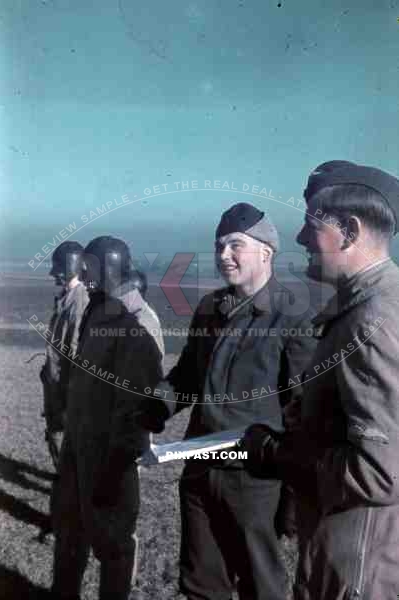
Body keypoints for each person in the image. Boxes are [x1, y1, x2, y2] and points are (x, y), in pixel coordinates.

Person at [142, 203, 318, 600]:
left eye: (235, 245)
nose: (223, 255)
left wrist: (293, 496)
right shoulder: (209, 310)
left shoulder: (293, 317)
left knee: (261, 588)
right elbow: (186, 376)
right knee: (201, 586)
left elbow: (304, 411)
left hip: (255, 480)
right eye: (220, 246)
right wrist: (153, 409)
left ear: (266, 253)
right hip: (199, 470)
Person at [241, 161, 399, 599]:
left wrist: (280, 455)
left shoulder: (372, 322)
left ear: (349, 231)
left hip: (360, 569)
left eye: (311, 225)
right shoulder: (378, 306)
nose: (300, 238)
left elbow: (380, 473)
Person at [51, 236, 163, 600]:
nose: (82, 274)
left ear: (109, 268)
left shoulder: (138, 321)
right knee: (69, 532)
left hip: (110, 456)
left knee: (113, 548)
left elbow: (140, 403)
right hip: (78, 446)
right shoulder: (97, 312)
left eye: (90, 267)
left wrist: (118, 458)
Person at [40, 241, 89, 468]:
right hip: (58, 385)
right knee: (57, 438)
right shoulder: (67, 297)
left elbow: (76, 350)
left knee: (69, 449)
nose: (54, 276)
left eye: (58, 270)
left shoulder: (79, 301)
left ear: (68, 268)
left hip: (67, 389)